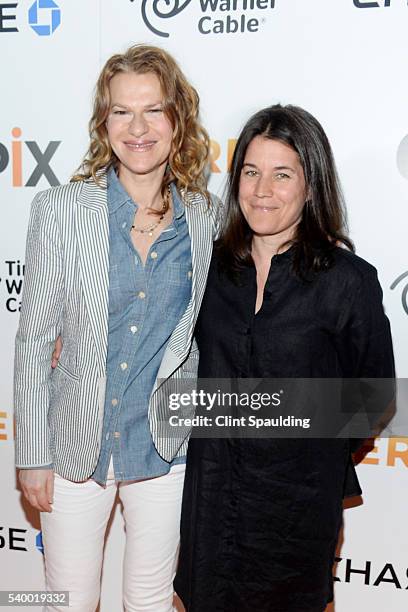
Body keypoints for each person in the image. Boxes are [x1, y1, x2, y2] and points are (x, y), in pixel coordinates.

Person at [14, 44, 219, 612]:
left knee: (151, 599)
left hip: (164, 447)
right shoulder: (61, 209)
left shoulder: (206, 216)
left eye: (153, 110)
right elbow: (34, 341)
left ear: (177, 121)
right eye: (121, 111)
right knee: (67, 600)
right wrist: (31, 454)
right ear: (103, 123)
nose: (138, 128)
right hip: (77, 446)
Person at [174, 104, 395, 611]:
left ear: (311, 185)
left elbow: (374, 393)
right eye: (251, 172)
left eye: (282, 175)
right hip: (212, 499)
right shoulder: (212, 269)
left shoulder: (346, 281)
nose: (262, 190)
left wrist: (312, 447)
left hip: (297, 509)